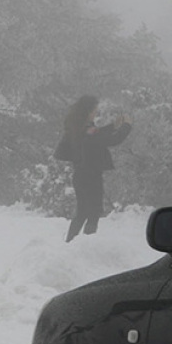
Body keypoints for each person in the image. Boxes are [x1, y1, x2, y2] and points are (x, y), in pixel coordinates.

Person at [56, 95, 133, 242]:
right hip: (91, 177)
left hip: (79, 176)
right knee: (94, 213)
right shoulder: (88, 130)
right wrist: (126, 126)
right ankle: (87, 246)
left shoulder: (77, 128)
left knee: (82, 212)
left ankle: (70, 243)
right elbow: (112, 140)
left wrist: (113, 126)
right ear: (88, 112)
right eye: (94, 110)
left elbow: (96, 136)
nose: (96, 113)